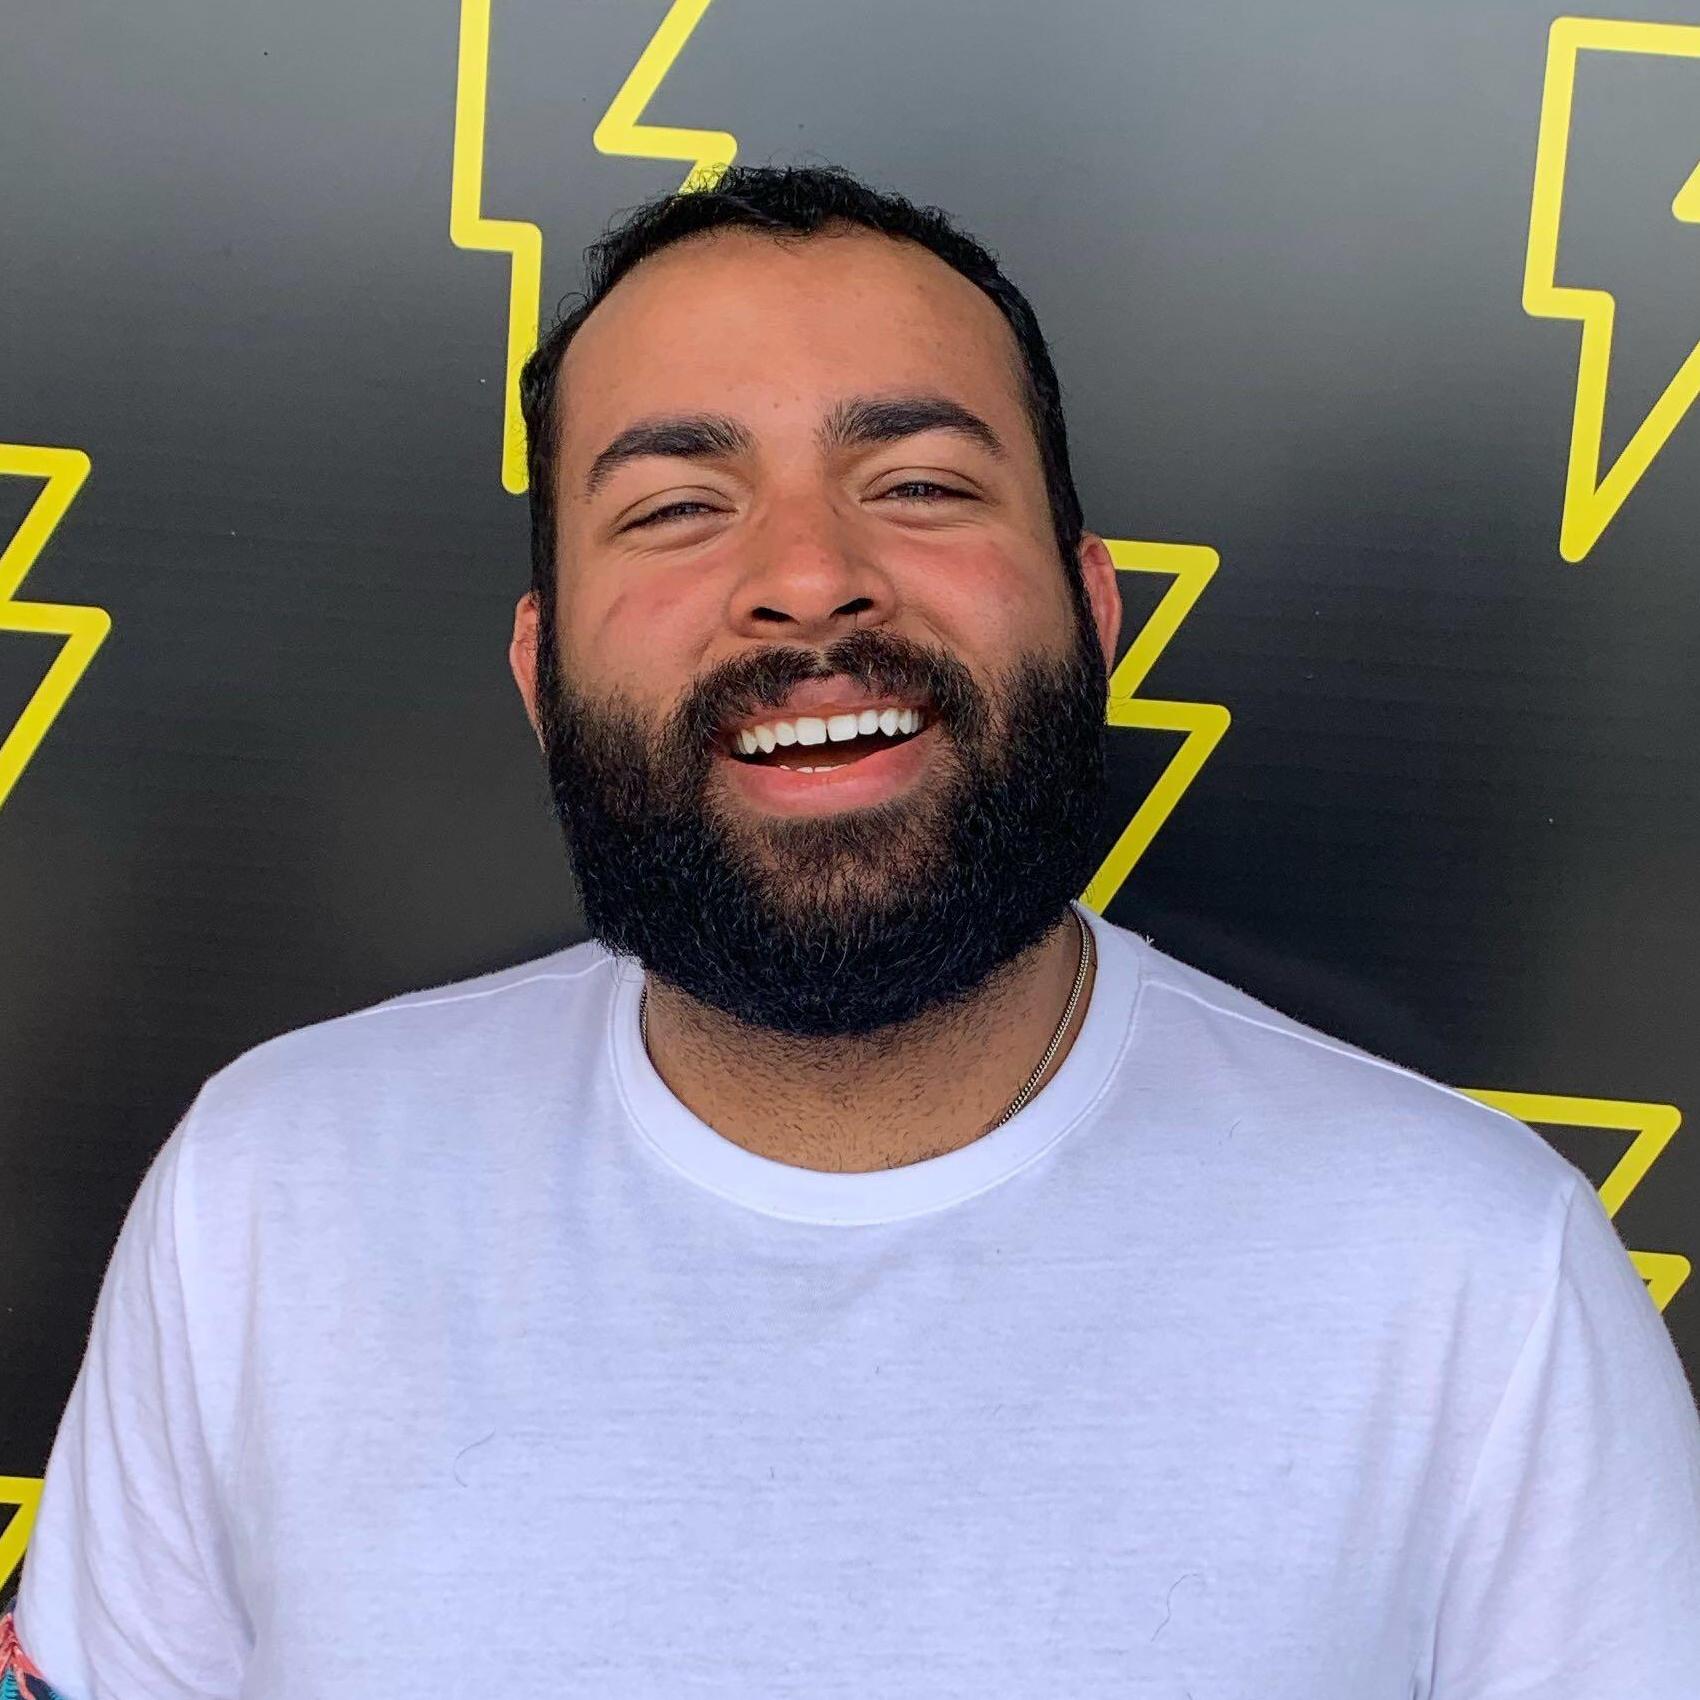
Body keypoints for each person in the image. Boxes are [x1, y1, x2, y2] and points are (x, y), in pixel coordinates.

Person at [5, 162, 1699, 1699]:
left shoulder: (1477, 1280)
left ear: (1092, 612)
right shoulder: (266, 1199)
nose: (810, 576)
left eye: (921, 483)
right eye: (678, 506)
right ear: (542, 672)